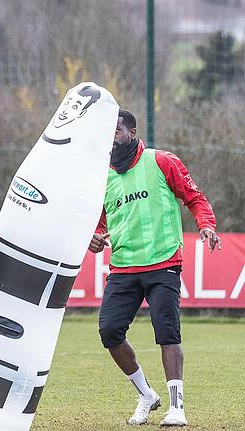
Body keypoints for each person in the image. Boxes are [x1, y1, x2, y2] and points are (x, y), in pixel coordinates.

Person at [88, 109, 221, 427]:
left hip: (163, 262)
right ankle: (146, 394)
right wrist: (93, 238)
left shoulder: (162, 161)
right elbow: (99, 221)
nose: (111, 137)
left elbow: (194, 197)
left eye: (116, 130)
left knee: (167, 332)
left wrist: (206, 225)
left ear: (132, 132)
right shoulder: (103, 176)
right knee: (109, 331)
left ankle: (177, 407)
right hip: (122, 266)